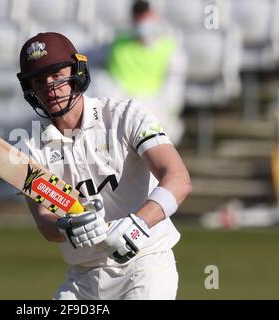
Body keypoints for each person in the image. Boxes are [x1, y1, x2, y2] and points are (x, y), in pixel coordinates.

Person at [16, 31, 192, 300]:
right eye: (40, 81)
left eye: (57, 75)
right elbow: (45, 222)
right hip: (84, 277)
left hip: (145, 263)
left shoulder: (126, 115)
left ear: (77, 71)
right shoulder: (30, 149)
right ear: (31, 90)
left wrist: (137, 225)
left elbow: (178, 179)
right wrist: (69, 227)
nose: (51, 87)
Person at [86, 0, 187, 145]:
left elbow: (174, 85)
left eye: (146, 17)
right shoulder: (117, 44)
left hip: (153, 106)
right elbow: (87, 56)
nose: (143, 23)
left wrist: (170, 109)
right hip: (119, 105)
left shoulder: (169, 48)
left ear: (155, 17)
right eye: (139, 18)